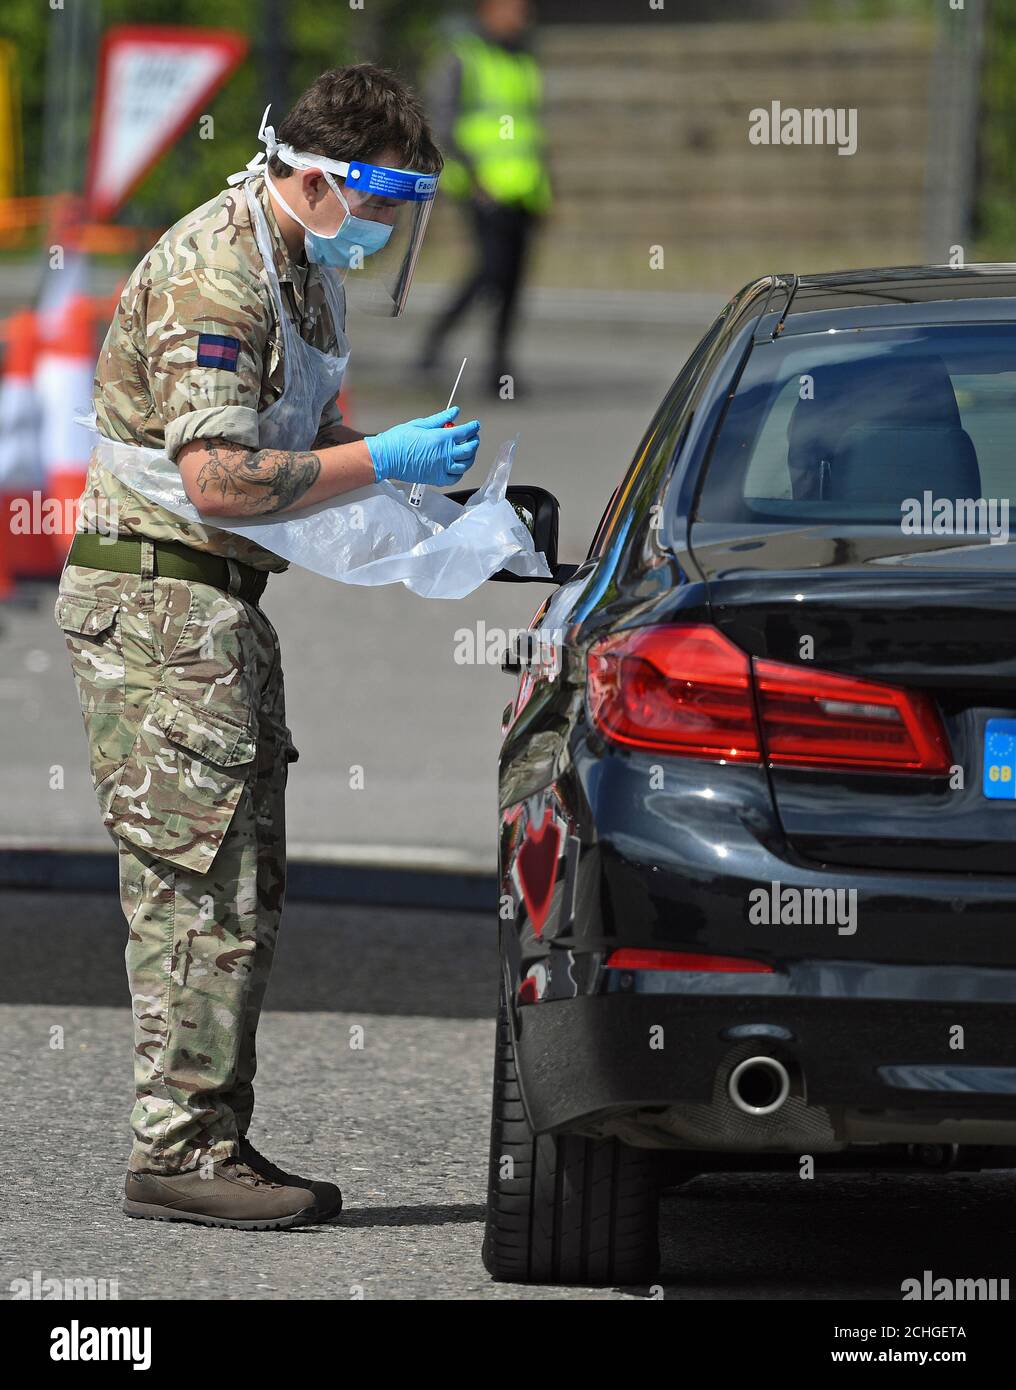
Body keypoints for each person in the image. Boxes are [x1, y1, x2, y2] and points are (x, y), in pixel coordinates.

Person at [55, 65, 480, 1231]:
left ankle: (206, 1137)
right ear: (316, 180)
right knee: (198, 885)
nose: (390, 228)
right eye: (383, 201)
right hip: (160, 609)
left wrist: (446, 523)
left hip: (210, 608)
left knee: (243, 883)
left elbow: (314, 446)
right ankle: (177, 1148)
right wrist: (383, 461)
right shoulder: (219, 274)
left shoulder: (295, 266)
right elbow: (221, 479)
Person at [419, 0, 551, 396]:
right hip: (483, 188)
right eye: (510, 8)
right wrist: (475, 178)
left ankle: (500, 368)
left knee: (512, 282)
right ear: (486, 10)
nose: (520, 16)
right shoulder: (463, 57)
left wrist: (546, 189)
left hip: (524, 188)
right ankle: (437, 339)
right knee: (489, 272)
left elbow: (532, 132)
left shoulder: (524, 61)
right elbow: (442, 123)